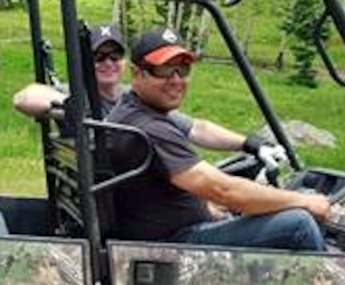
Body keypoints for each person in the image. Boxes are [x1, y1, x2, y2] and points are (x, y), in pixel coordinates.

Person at [105, 27, 332, 251]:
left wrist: (254, 144)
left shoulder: (134, 108)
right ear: (137, 74)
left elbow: (199, 128)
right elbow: (225, 191)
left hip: (163, 229)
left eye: (183, 69)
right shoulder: (149, 128)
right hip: (172, 248)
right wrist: (305, 201)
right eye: (164, 70)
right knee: (298, 224)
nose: (176, 80)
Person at [13, 21, 290, 166]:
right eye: (99, 56)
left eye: (115, 55)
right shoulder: (79, 95)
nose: (108, 63)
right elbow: (24, 98)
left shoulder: (134, 98)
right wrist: (65, 105)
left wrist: (252, 144)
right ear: (87, 61)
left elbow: (195, 128)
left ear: (126, 63)